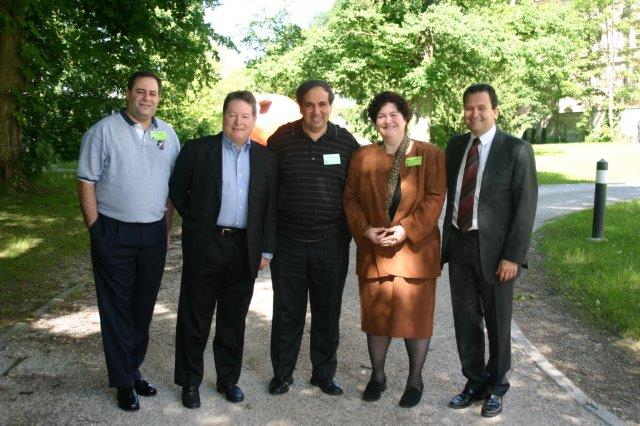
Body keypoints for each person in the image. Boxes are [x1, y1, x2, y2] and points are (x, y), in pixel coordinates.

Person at [77, 70, 180, 411]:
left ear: (159, 98)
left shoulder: (167, 134)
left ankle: (133, 369)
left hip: (152, 234)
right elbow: (87, 181)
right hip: (113, 232)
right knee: (116, 308)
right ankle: (122, 382)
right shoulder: (102, 132)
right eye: (140, 91)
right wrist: (97, 230)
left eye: (153, 93)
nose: (146, 98)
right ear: (128, 94)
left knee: (142, 308)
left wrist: (165, 230)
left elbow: (172, 188)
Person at [169, 91, 276, 409]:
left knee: (233, 319)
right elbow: (177, 190)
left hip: (245, 248)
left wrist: (266, 250)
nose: (238, 121)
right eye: (233, 114)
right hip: (207, 244)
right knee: (194, 316)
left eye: (245, 116)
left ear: (254, 120)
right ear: (223, 116)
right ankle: (190, 382)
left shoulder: (266, 158)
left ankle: (228, 379)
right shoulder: (198, 150)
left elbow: (270, 208)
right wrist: (199, 222)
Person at [343, 92, 446, 408]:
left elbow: (434, 198)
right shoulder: (363, 157)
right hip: (375, 252)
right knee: (377, 319)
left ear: (405, 116)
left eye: (393, 114)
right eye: (381, 116)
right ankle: (377, 376)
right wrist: (366, 231)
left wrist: (405, 229)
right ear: (375, 122)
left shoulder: (429, 154)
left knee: (415, 320)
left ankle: (415, 380)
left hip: (415, 253)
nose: (387, 121)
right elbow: (350, 199)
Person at [441, 83, 538, 417]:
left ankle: (497, 387)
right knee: (465, 320)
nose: (474, 114)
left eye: (481, 107)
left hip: (497, 253)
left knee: (497, 322)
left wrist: (513, 256)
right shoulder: (455, 146)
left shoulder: (517, 150)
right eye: (469, 108)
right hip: (459, 245)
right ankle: (474, 381)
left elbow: (525, 208)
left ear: (495, 110)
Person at [267, 80, 360, 396]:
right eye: (309, 104)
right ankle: (282, 374)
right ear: (300, 105)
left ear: (330, 106)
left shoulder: (347, 143)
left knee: (327, 312)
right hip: (288, 242)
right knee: (286, 313)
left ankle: (323, 374)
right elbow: (267, 191)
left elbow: (358, 193)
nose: (316, 110)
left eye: (322, 104)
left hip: (331, 244)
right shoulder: (280, 139)